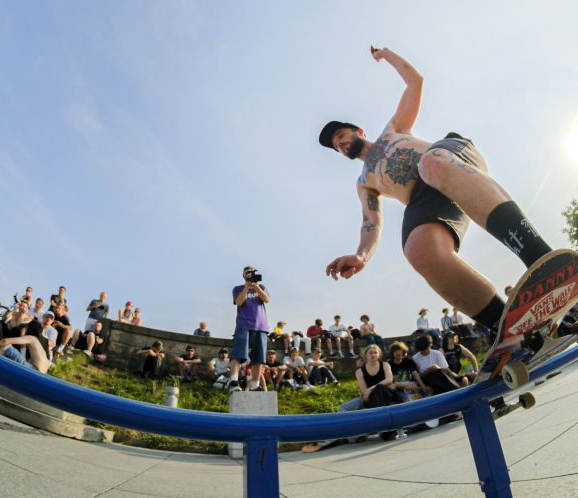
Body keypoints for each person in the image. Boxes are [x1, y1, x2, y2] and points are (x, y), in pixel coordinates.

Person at [320, 46, 552, 336]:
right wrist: (361, 255)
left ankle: (541, 258)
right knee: (418, 250)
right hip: (425, 197)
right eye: (337, 146)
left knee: (430, 164)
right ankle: (511, 327)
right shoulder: (364, 181)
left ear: (359, 131)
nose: (341, 144)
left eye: (341, 136)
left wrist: (386, 55)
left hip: (450, 159)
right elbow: (371, 221)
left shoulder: (392, 129)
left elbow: (414, 82)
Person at [227, 266, 270, 392]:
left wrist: (256, 287)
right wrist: (247, 287)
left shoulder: (261, 287)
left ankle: (255, 385)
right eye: (248, 273)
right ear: (244, 275)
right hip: (243, 325)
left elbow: (266, 299)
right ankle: (233, 381)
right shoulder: (238, 288)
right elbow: (239, 302)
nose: (251, 275)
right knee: (238, 354)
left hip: (260, 326)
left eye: (253, 273)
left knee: (258, 358)